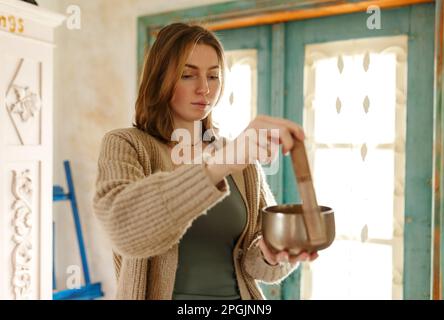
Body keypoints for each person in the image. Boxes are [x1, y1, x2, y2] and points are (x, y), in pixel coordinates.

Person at [93, 23, 318, 300]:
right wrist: (218, 165)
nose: (204, 89)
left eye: (214, 76)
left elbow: (256, 260)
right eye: (188, 75)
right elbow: (125, 229)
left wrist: (271, 254)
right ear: (159, 79)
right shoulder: (126, 145)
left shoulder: (237, 158)